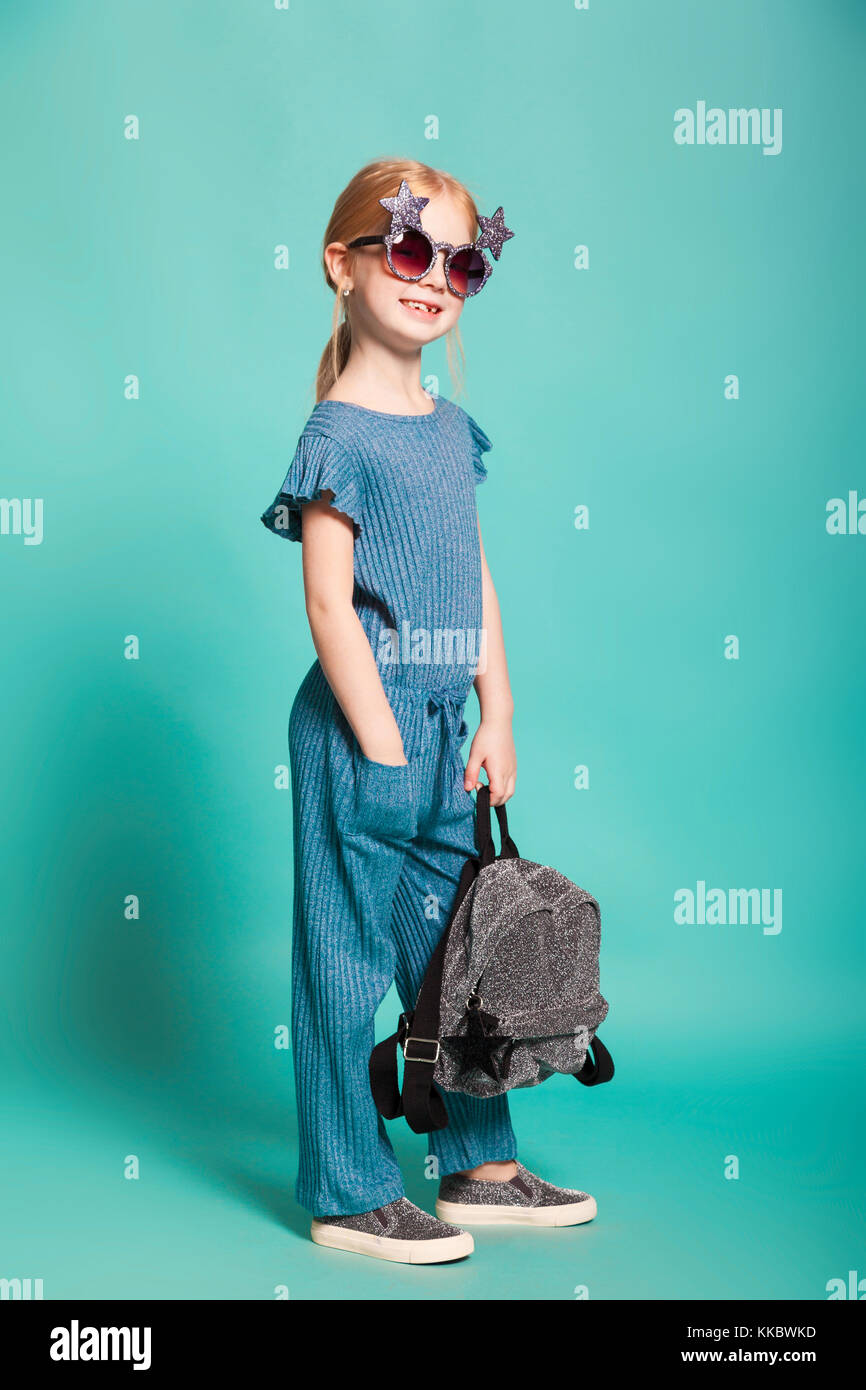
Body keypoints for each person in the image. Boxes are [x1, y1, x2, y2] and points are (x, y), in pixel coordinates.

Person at [260, 157, 596, 1264]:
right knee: (342, 961)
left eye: (462, 261)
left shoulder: (448, 428)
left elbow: (476, 573)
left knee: (457, 953)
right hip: (365, 729)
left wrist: (496, 708)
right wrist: (376, 730)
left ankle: (478, 1165)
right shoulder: (337, 432)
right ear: (343, 264)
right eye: (410, 249)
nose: (434, 276)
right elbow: (326, 600)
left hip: (446, 730)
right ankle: (348, 1188)